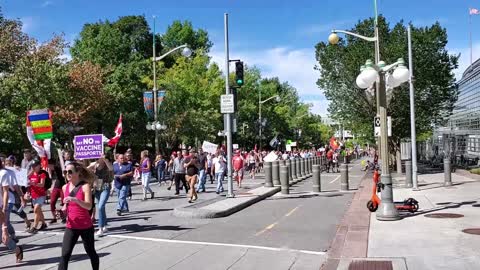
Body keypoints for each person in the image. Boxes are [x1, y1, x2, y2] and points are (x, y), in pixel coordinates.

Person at [58, 162, 99, 270]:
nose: (67, 173)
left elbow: (89, 206)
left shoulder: (85, 186)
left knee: (90, 252)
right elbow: (65, 207)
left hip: (85, 226)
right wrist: (62, 212)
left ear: (78, 172)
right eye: (65, 171)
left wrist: (75, 199)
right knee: (65, 255)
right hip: (71, 226)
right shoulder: (64, 187)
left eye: (70, 171)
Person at [0, 157, 24, 263]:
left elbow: (6, 191)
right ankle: (16, 248)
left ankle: (16, 248)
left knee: (4, 235)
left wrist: (4, 208)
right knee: (3, 237)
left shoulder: (3, 173)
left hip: (2, 206)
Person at [88, 155, 113, 236]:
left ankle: (100, 228)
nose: (98, 158)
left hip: (105, 186)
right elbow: (84, 171)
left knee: (100, 206)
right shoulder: (94, 164)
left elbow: (111, 169)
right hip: (97, 187)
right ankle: (105, 225)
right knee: (101, 207)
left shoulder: (107, 163)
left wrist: (105, 159)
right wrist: (90, 166)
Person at [26, 161, 48, 233]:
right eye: (32, 166)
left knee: (36, 210)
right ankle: (44, 224)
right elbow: (25, 181)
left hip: (41, 195)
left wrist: (33, 183)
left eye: (35, 165)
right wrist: (28, 192)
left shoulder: (42, 174)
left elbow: (42, 184)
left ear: (39, 166)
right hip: (34, 195)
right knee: (39, 211)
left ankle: (34, 227)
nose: (33, 167)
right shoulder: (31, 175)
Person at [49, 159, 65, 224]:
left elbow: (56, 169)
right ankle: (54, 217)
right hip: (56, 187)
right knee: (52, 202)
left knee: (64, 203)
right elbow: (53, 179)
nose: (48, 167)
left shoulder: (59, 167)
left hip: (62, 187)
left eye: (49, 165)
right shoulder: (51, 170)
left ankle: (64, 217)